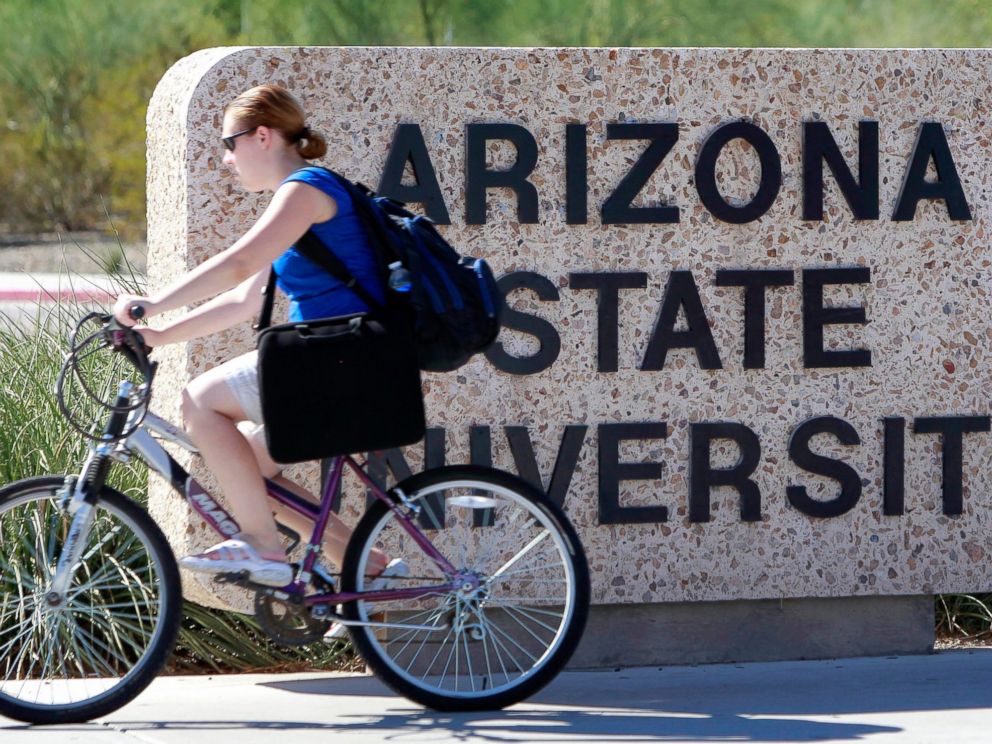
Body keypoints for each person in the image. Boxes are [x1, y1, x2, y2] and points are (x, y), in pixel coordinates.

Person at [113, 84, 406, 640]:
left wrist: (154, 300)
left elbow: (240, 261)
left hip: (338, 359)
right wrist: (158, 333)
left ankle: (264, 548)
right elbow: (246, 299)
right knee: (249, 461)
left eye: (229, 143)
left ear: (263, 136)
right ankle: (369, 566)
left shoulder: (305, 190)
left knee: (199, 400)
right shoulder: (300, 204)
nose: (225, 158)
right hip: (341, 361)